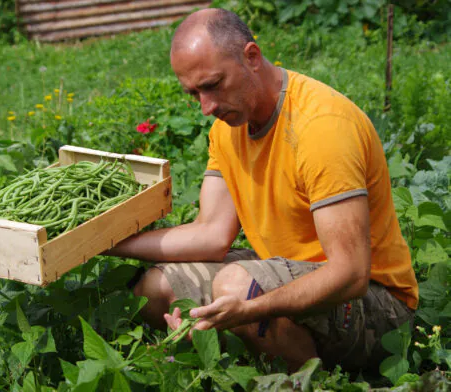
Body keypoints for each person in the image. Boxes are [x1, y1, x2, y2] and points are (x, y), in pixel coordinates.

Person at [107, 8, 418, 372]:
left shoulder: (321, 128)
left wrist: (249, 310)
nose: (206, 107)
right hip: (281, 275)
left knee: (237, 287)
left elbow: (350, 273)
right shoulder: (227, 128)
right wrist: (104, 243)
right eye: (194, 93)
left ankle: (311, 379)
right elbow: (211, 234)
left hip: (380, 310)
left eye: (212, 85)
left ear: (251, 57)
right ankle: (244, 345)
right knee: (155, 291)